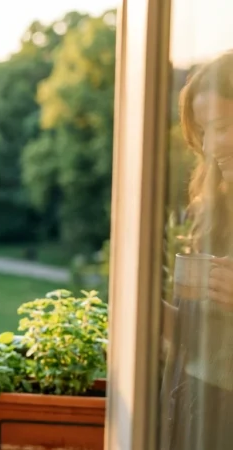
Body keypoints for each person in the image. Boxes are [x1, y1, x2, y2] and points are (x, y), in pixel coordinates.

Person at [162, 50, 233, 449]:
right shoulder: (210, 213)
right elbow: (196, 339)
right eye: (204, 131)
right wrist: (144, 314)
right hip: (192, 412)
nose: (210, 145)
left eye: (222, 126)